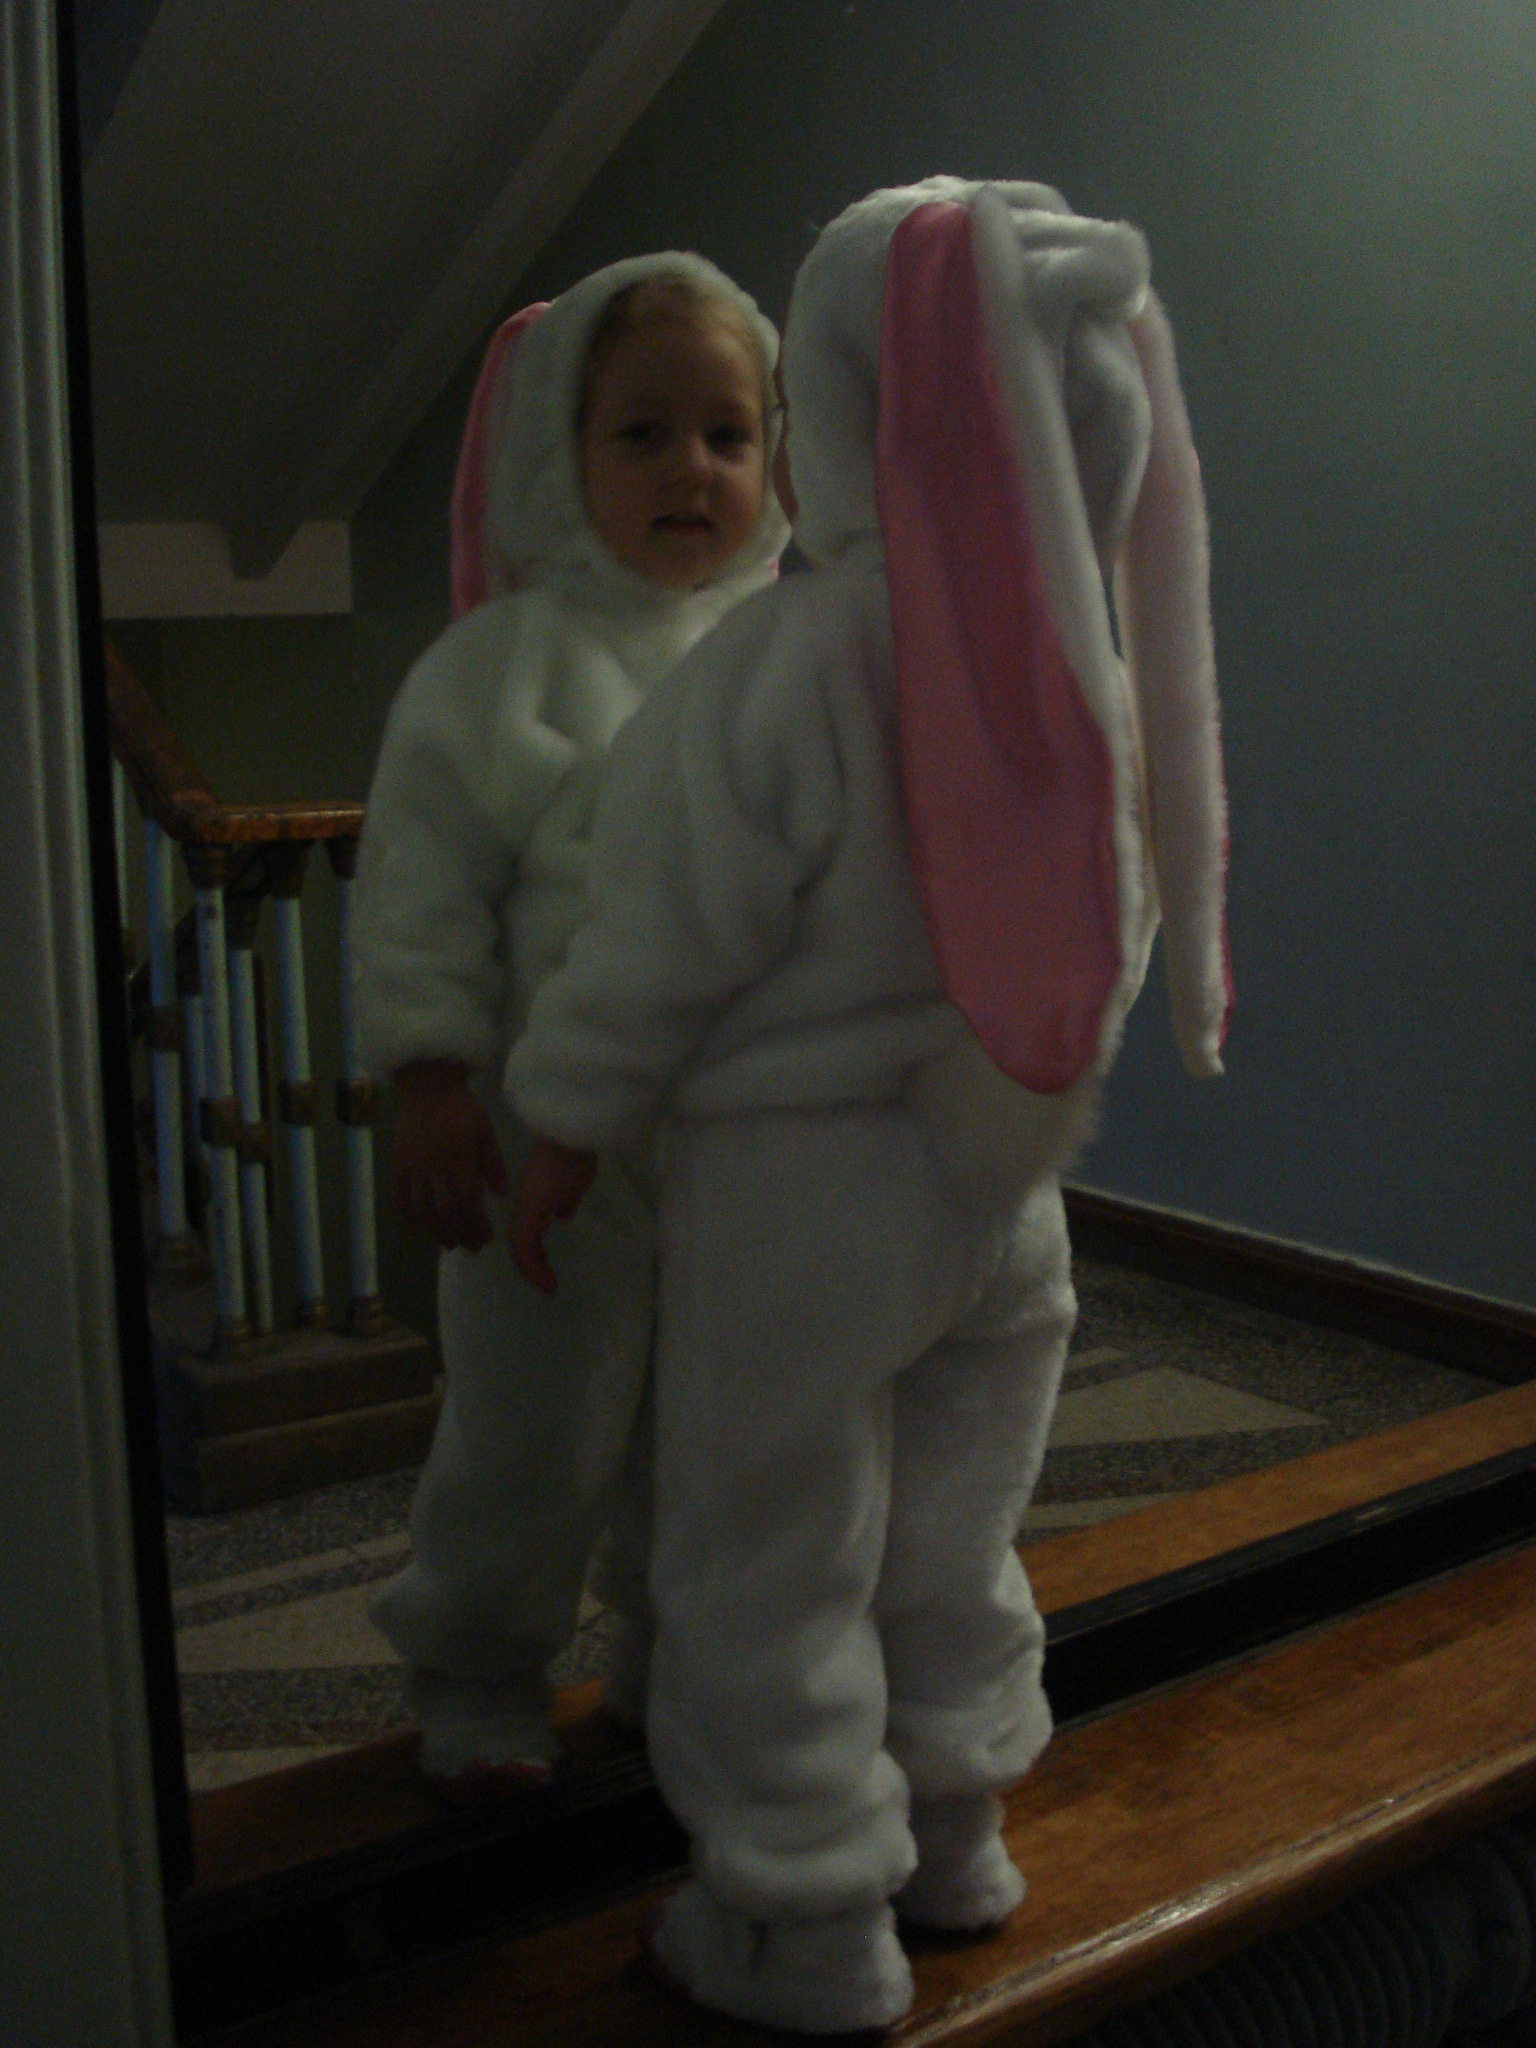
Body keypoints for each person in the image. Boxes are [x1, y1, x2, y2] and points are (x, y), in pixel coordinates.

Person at [504, 179, 1230, 2032]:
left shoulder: (790, 660)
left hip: (801, 1205)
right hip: (1007, 1195)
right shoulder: (1088, 676)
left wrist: (565, 1118)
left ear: (841, 412)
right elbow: (1113, 928)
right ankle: (960, 1828)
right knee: (949, 1533)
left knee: (768, 1550)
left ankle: (805, 1912)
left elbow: (661, 935)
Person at [352, 251, 789, 1794]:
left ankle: (677, 1654)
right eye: (643, 434)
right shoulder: (501, 667)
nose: (691, 470)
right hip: (546, 1137)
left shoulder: (788, 652)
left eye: (728, 435)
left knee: (721, 1431)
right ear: (562, 453)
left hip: (744, 1130)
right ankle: (478, 1661)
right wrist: (431, 1078)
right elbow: (419, 885)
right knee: (538, 1424)